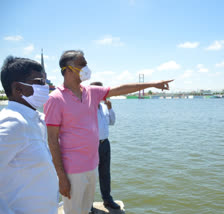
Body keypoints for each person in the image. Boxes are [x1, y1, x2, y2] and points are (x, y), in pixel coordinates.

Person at [44, 50, 173, 214]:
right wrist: (61, 177)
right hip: (72, 170)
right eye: (82, 64)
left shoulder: (90, 91)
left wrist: (152, 84)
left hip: (91, 165)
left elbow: (121, 89)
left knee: (85, 210)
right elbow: (52, 140)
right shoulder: (55, 99)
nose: (86, 67)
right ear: (68, 69)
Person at [0, 56, 59, 214]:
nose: (45, 86)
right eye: (39, 82)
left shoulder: (35, 118)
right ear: (18, 89)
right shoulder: (12, 123)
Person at [90, 81, 119, 211]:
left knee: (105, 173)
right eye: (99, 91)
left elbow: (112, 122)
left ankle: (107, 199)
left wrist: (111, 108)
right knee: (90, 175)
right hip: (91, 144)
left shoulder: (104, 107)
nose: (102, 93)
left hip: (105, 143)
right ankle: (88, 204)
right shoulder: (86, 107)